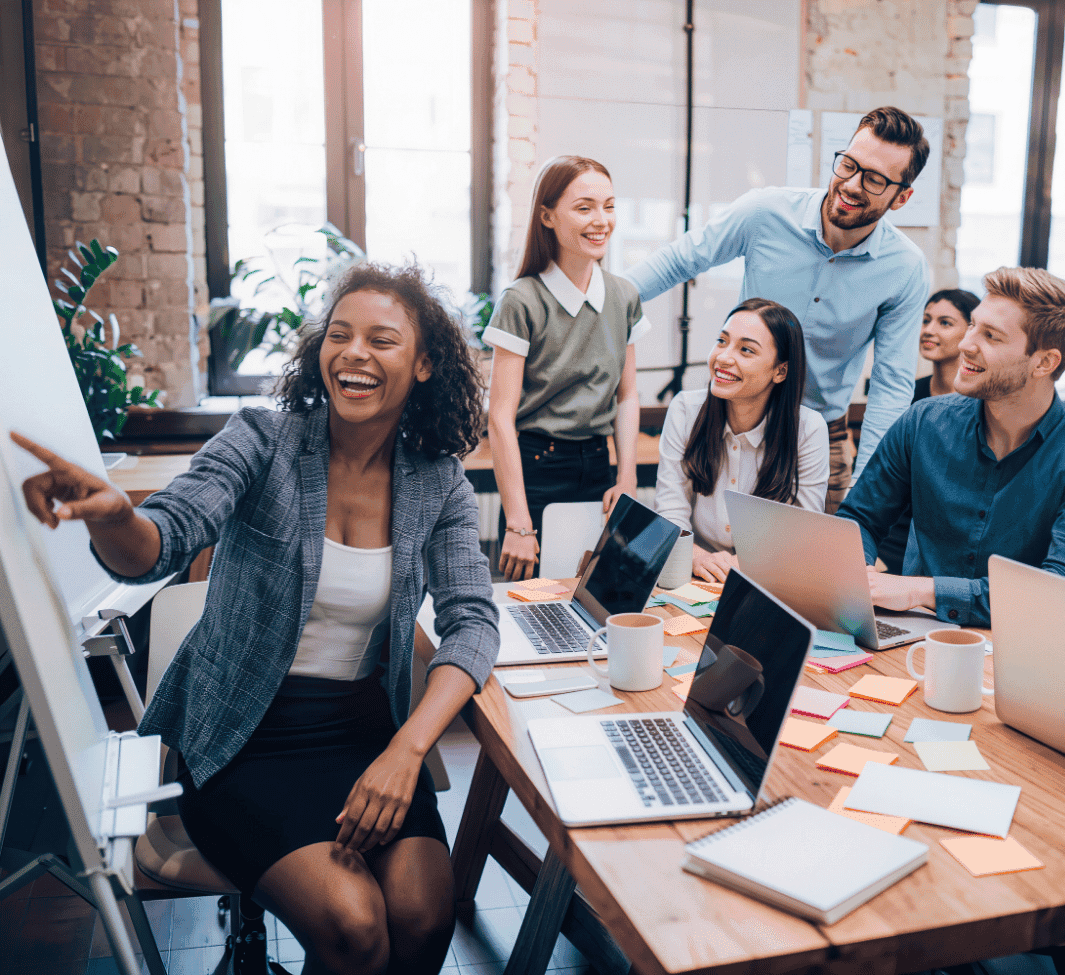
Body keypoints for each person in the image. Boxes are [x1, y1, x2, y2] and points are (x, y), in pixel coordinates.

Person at [14, 263, 498, 975]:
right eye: (339, 334)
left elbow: (473, 623)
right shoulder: (262, 440)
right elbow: (163, 538)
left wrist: (407, 749)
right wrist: (118, 513)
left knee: (425, 918)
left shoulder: (439, 481)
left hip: (365, 734)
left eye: (382, 339)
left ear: (424, 363)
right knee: (354, 924)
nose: (354, 352)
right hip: (242, 740)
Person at [627, 106, 931, 512]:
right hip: (730, 424)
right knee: (704, 555)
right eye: (849, 165)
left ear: (902, 197)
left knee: (805, 570)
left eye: (874, 179)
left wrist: (867, 488)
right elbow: (678, 261)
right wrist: (602, 309)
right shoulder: (766, 212)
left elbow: (892, 388)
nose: (852, 184)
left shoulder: (905, 269)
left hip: (822, 438)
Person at [836, 267, 1065, 627]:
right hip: (911, 635)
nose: (965, 344)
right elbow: (858, 518)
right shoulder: (923, 422)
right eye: (973, 325)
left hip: (1021, 652)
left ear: (1044, 362)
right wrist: (855, 575)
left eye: (991, 336)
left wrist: (921, 591)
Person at [484, 155, 649, 581]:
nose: (601, 220)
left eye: (609, 206)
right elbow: (500, 417)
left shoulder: (624, 297)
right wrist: (519, 522)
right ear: (547, 217)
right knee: (530, 606)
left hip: (599, 468)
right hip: (537, 470)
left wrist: (626, 476)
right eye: (584, 207)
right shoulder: (522, 300)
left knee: (593, 598)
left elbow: (627, 396)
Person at [654, 298, 828, 582]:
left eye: (746, 350)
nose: (723, 357)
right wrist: (697, 557)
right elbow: (670, 510)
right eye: (722, 341)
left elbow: (803, 535)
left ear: (780, 371)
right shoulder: (686, 409)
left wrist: (742, 564)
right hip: (697, 572)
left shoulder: (807, 429)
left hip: (769, 578)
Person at [876, 288, 980, 574]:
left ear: (972, 333)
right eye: (925, 320)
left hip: (939, 539)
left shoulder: (980, 407)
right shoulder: (906, 395)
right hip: (893, 525)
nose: (928, 330)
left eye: (944, 323)